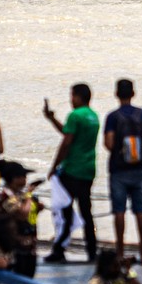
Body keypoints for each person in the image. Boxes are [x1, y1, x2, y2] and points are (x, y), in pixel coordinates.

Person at [44, 83, 99, 263]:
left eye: (72, 96)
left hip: (72, 170)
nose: (70, 99)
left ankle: (59, 249)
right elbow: (69, 133)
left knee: (64, 211)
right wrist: (52, 119)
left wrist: (54, 166)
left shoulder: (75, 115)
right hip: (88, 170)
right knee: (86, 211)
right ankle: (92, 250)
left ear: (78, 97)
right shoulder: (93, 116)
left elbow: (67, 142)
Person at [103, 78, 142, 259]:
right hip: (139, 168)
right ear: (133, 93)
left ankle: (121, 253)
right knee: (140, 210)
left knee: (119, 211)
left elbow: (108, 143)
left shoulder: (112, 117)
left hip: (118, 169)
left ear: (116, 94)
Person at [0, 159, 43, 284]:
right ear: (12, 178)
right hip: (14, 252)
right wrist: (29, 196)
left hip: (28, 250)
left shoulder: (20, 196)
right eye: (21, 177)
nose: (24, 181)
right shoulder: (6, 196)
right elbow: (22, 214)